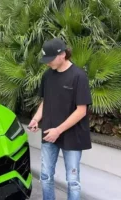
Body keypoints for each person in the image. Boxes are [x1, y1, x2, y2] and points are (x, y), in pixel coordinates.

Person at [28, 38, 92, 200]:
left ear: (62, 55)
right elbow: (46, 101)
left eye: (50, 59)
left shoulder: (79, 76)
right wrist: (36, 119)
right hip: (50, 133)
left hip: (73, 135)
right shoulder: (47, 76)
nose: (47, 63)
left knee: (73, 182)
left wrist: (59, 130)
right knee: (46, 176)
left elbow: (81, 111)